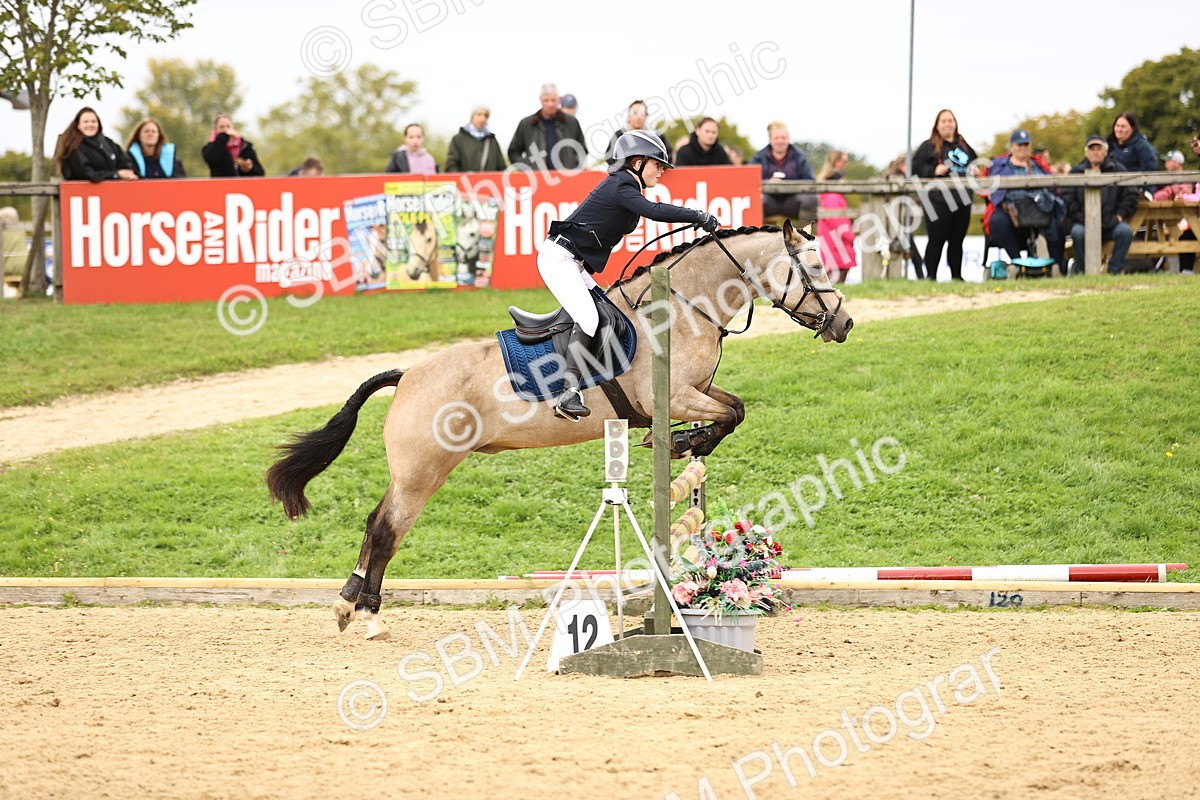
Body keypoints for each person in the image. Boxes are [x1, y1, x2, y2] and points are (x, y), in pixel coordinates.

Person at [539, 131, 719, 421]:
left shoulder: (626, 186)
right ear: (637, 162)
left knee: (611, 316)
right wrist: (697, 215)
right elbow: (655, 211)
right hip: (559, 260)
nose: (662, 171)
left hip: (573, 263)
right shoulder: (621, 184)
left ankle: (600, 380)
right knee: (589, 319)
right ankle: (566, 392)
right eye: (657, 164)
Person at [980, 129, 1065, 270]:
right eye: (1019, 145)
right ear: (1012, 146)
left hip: (1039, 208)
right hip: (1010, 208)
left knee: (1059, 220)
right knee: (997, 221)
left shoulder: (1038, 165)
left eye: (1025, 145)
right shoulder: (999, 165)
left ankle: (1057, 266)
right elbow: (984, 186)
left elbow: (1052, 185)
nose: (1022, 148)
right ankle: (1017, 262)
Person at [911, 109, 978, 281]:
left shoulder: (964, 145)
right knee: (936, 240)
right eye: (944, 121)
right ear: (937, 125)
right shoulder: (928, 146)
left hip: (962, 199)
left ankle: (957, 277)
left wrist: (975, 170)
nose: (948, 124)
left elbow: (974, 162)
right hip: (937, 202)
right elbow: (914, 168)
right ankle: (931, 277)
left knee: (957, 241)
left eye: (951, 120)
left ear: (955, 124)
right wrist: (933, 170)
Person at [1064, 136, 1140, 275]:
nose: (1096, 152)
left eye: (1099, 148)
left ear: (1106, 151)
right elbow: (1068, 198)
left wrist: (1120, 215)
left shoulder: (1118, 169)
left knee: (1125, 232)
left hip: (1111, 223)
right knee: (1077, 233)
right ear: (1086, 152)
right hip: (1084, 223)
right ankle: (1082, 271)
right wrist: (1080, 217)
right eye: (1092, 149)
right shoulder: (1076, 172)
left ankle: (1114, 271)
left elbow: (1131, 194)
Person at [508, 83, 587, 172]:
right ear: (541, 100)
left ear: (559, 100)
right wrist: (528, 167)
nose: (550, 104)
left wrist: (573, 166)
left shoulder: (572, 123)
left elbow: (582, 149)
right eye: (546, 100)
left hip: (567, 179)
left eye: (553, 100)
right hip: (537, 180)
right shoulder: (526, 124)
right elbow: (513, 152)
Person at [750, 121, 817, 225]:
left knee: (811, 199)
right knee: (755, 200)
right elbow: (750, 181)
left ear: (788, 139)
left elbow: (809, 181)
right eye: (776, 138)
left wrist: (790, 186)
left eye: (783, 138)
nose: (780, 141)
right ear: (770, 140)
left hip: (793, 200)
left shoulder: (800, 157)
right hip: (768, 200)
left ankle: (805, 235)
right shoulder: (759, 157)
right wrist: (768, 182)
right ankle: (758, 237)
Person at [54, 107, 138, 182]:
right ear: (78, 125)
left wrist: (127, 173)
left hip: (112, 191)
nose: (90, 124)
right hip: (84, 194)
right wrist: (115, 174)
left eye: (93, 121)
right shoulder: (74, 146)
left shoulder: (108, 143)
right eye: (86, 122)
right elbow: (85, 174)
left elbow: (125, 161)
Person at [1152, 150, 1198, 273]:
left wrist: (1172, 192)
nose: (1166, 163)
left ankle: (1184, 270)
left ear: (1177, 163)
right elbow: (1158, 197)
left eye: (1169, 160)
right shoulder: (1166, 179)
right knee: (1166, 234)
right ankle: (1176, 270)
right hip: (1172, 217)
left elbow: (1187, 196)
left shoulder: (1186, 179)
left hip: (1186, 217)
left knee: (1185, 235)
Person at [815, 150, 855, 284]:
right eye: (843, 161)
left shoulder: (831, 196)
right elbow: (837, 222)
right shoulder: (833, 197)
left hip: (834, 242)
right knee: (836, 282)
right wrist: (850, 235)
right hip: (837, 243)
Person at [605, 100, 672, 163]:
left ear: (646, 116)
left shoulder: (656, 136)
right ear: (629, 116)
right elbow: (609, 157)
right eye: (634, 113)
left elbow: (668, 156)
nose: (638, 117)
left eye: (642, 113)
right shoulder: (619, 135)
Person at [445, 106, 507, 173]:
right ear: (472, 117)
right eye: (479, 114)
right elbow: (451, 166)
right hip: (464, 182)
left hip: (488, 183)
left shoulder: (492, 141)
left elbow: (501, 168)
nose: (482, 119)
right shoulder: (458, 139)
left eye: (486, 116)